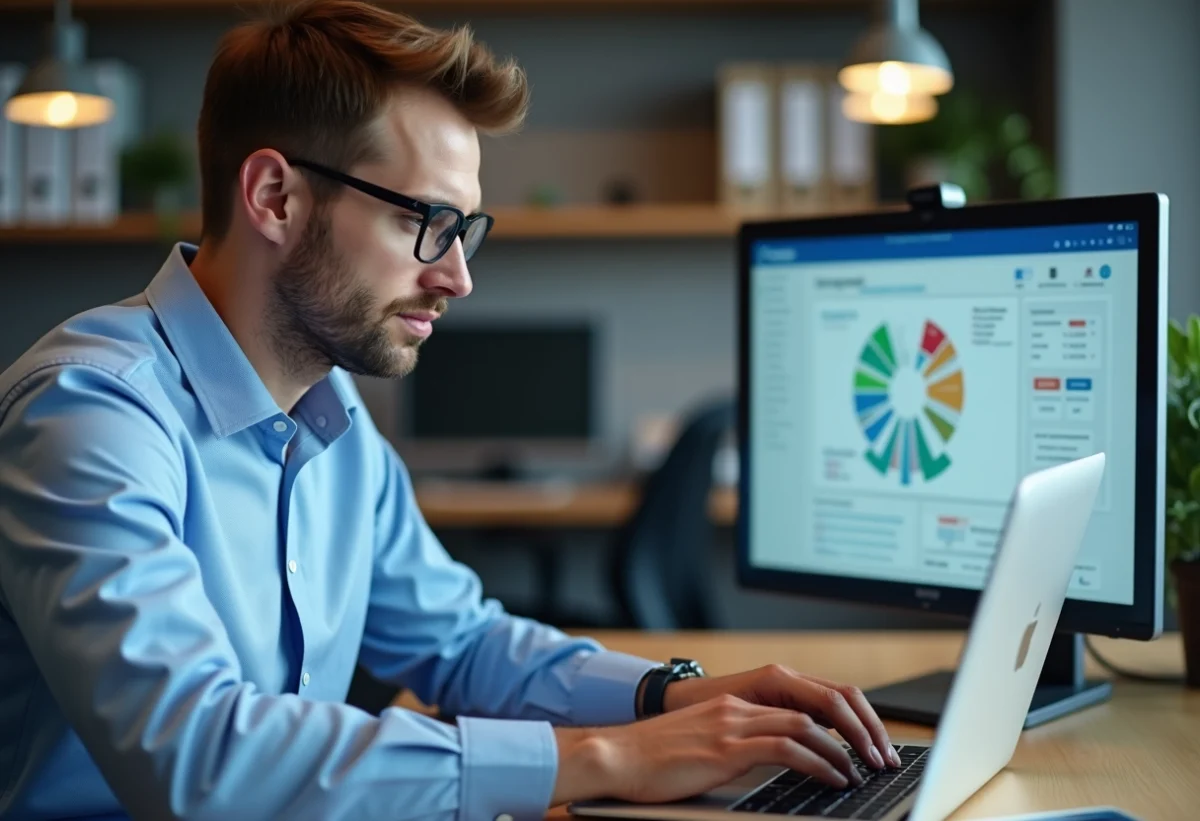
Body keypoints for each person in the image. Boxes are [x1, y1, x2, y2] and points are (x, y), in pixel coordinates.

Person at [0, 2, 902, 819]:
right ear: (275, 197)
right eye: (426, 221)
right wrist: (610, 756)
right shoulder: (91, 415)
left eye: (466, 230)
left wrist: (668, 698)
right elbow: (198, 758)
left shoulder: (329, 414)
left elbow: (460, 643)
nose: (457, 276)